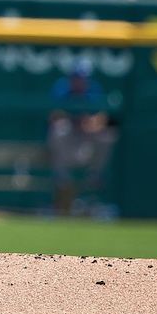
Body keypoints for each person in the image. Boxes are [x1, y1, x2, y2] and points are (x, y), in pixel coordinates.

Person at [47, 59, 118, 216]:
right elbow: (53, 116)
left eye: (81, 77)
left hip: (87, 137)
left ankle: (95, 176)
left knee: (108, 134)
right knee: (59, 130)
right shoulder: (62, 88)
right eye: (76, 77)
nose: (78, 81)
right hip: (68, 139)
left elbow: (104, 117)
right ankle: (63, 180)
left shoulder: (94, 89)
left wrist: (90, 123)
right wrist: (74, 120)